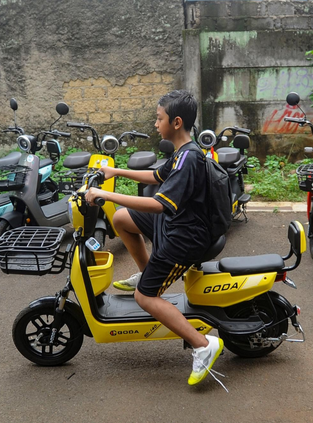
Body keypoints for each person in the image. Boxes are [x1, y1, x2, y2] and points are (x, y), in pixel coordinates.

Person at [85, 90, 224, 386]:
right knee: (121, 217)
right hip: (177, 223)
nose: (155, 123)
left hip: (185, 238)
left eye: (158, 118)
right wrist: (114, 171)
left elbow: (159, 204)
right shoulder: (182, 151)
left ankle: (203, 345)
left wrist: (104, 194)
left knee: (144, 297)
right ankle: (148, 271)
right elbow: (156, 177)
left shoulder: (189, 159)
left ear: (175, 122)